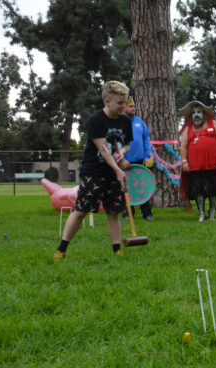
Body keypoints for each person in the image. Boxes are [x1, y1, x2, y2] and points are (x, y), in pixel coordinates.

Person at [54, 81, 133, 261]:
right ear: (107, 101)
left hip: (113, 173)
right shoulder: (96, 120)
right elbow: (103, 149)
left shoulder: (125, 121)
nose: (124, 106)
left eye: (125, 102)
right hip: (94, 172)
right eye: (120, 103)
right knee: (81, 211)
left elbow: (127, 143)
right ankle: (61, 249)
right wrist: (118, 170)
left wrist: (122, 152)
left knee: (113, 212)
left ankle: (116, 250)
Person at [179, 100, 216, 222]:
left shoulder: (214, 124)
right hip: (195, 167)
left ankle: (211, 212)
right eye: (194, 112)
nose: (196, 115)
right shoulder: (187, 129)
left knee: (213, 190)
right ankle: (201, 213)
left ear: (204, 114)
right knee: (197, 190)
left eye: (199, 112)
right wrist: (184, 161)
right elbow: (183, 146)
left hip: (213, 165)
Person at [121, 97, 154, 221]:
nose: (133, 108)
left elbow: (146, 139)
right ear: (124, 107)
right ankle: (127, 214)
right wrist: (122, 159)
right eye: (130, 106)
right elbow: (115, 143)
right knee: (126, 188)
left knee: (143, 187)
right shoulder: (119, 123)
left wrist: (147, 156)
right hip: (126, 162)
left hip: (141, 162)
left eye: (134, 106)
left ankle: (147, 214)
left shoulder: (140, 122)